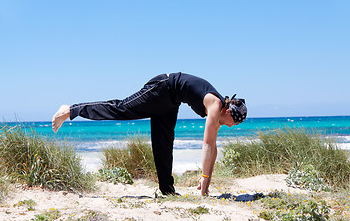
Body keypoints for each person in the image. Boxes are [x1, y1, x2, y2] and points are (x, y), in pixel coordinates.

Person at [52, 72, 247, 196]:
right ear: (228, 112)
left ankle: (167, 190)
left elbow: (213, 148)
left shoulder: (219, 112)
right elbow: (207, 145)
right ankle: (71, 109)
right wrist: (205, 176)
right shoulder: (215, 105)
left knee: (164, 144)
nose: (231, 126)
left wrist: (207, 179)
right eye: (234, 122)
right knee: (122, 108)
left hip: (170, 103)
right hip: (161, 88)